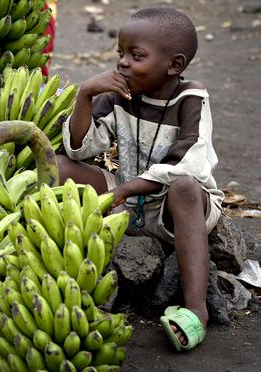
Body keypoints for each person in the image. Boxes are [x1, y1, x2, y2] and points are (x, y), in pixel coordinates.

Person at [58, 7, 224, 351]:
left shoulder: (191, 99)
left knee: (185, 188)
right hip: (126, 195)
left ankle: (197, 310)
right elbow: (79, 149)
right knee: (59, 167)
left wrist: (129, 188)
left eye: (136, 56)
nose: (122, 63)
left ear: (174, 65)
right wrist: (85, 94)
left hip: (172, 207)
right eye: (121, 53)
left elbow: (189, 163)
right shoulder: (120, 92)